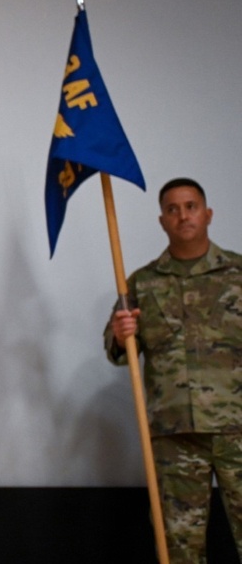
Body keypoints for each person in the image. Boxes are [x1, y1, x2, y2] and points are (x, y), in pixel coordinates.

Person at [105, 177, 242, 563]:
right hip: (175, 435)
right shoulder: (142, 284)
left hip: (238, 431)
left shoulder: (238, 273)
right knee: (179, 546)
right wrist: (120, 334)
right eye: (172, 209)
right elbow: (116, 352)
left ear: (208, 214)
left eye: (191, 206)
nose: (183, 215)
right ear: (162, 220)